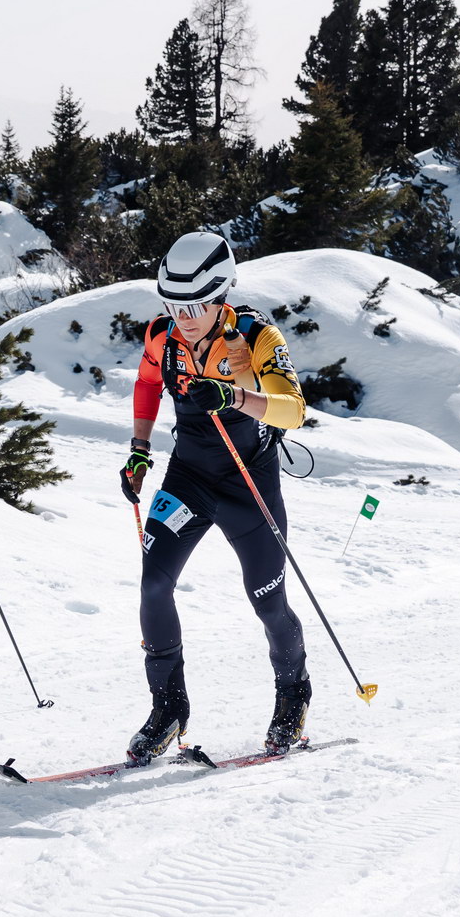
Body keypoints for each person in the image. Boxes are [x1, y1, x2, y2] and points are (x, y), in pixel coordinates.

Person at [120, 230, 311, 760]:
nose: (182, 317)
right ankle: (168, 709)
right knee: (153, 585)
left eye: (195, 306)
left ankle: (294, 694)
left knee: (267, 599)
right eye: (173, 305)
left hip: (249, 483)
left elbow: (294, 410)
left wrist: (233, 394)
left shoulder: (256, 336)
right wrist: (139, 449)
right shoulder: (161, 336)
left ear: (220, 295)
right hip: (189, 477)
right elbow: (147, 385)